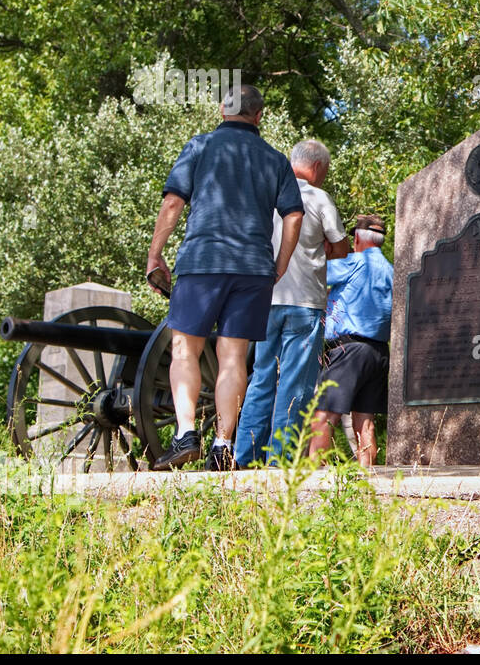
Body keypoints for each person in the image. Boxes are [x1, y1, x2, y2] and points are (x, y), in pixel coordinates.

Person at [147, 84, 304, 471]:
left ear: (222, 109)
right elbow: (294, 215)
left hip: (202, 262)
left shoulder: (199, 147)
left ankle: (186, 434)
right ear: (259, 115)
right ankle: (222, 445)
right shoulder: (275, 159)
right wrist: (280, 263)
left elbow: (172, 202)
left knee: (185, 349)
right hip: (253, 268)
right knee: (232, 357)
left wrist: (155, 254)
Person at [233, 140, 350, 468]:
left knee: (261, 376)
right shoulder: (318, 197)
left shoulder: (266, 193)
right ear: (316, 168)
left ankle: (244, 457)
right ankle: (278, 461)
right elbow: (341, 248)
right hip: (304, 303)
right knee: (295, 383)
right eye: (324, 172)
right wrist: (326, 247)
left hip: (264, 300)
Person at [307, 214, 393, 467]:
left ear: (356, 238)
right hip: (378, 351)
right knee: (364, 419)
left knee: (324, 414)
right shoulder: (391, 271)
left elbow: (317, 274)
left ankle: (314, 477)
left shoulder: (353, 263)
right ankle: (368, 479)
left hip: (349, 350)